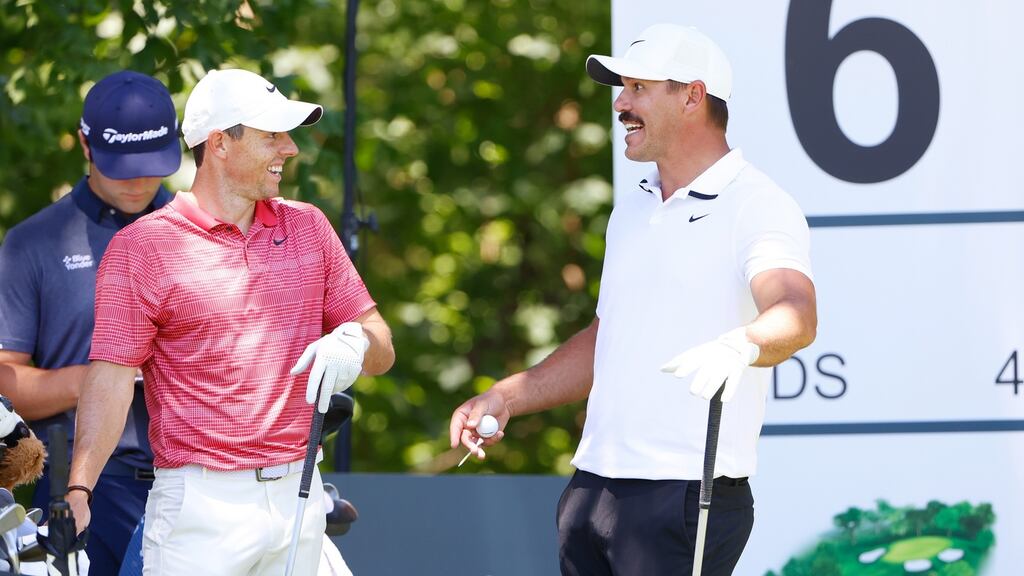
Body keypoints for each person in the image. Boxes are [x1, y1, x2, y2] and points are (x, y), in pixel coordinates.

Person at [449, 23, 817, 576]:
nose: (620, 103)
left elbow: (796, 314)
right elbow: (607, 339)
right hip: (593, 488)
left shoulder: (757, 204)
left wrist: (741, 345)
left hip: (686, 493)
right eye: (622, 89)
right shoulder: (633, 207)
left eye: (639, 88)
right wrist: (507, 397)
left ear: (693, 96)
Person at [66, 68, 395, 575]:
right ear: (220, 143)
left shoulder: (308, 226)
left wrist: (355, 340)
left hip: (297, 498)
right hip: (199, 508)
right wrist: (80, 487)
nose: (290, 149)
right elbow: (109, 378)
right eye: (272, 136)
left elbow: (381, 347)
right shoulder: (143, 247)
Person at [0, 69, 182, 574]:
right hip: (86, 482)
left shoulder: (206, 233)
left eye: (153, 165)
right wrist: (104, 377)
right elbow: (4, 381)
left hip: (199, 474)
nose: (140, 181)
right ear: (85, 144)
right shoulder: (34, 242)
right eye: (122, 167)